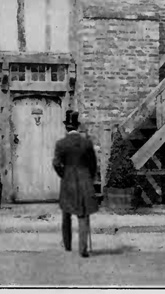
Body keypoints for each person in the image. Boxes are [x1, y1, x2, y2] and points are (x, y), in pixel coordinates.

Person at [52, 110, 98, 257]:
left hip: (68, 181)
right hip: (85, 179)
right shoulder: (87, 143)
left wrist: (64, 175)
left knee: (66, 213)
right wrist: (89, 178)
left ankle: (67, 245)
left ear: (66, 127)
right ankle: (83, 249)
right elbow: (93, 165)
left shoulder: (61, 144)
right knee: (83, 213)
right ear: (77, 127)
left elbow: (57, 163)